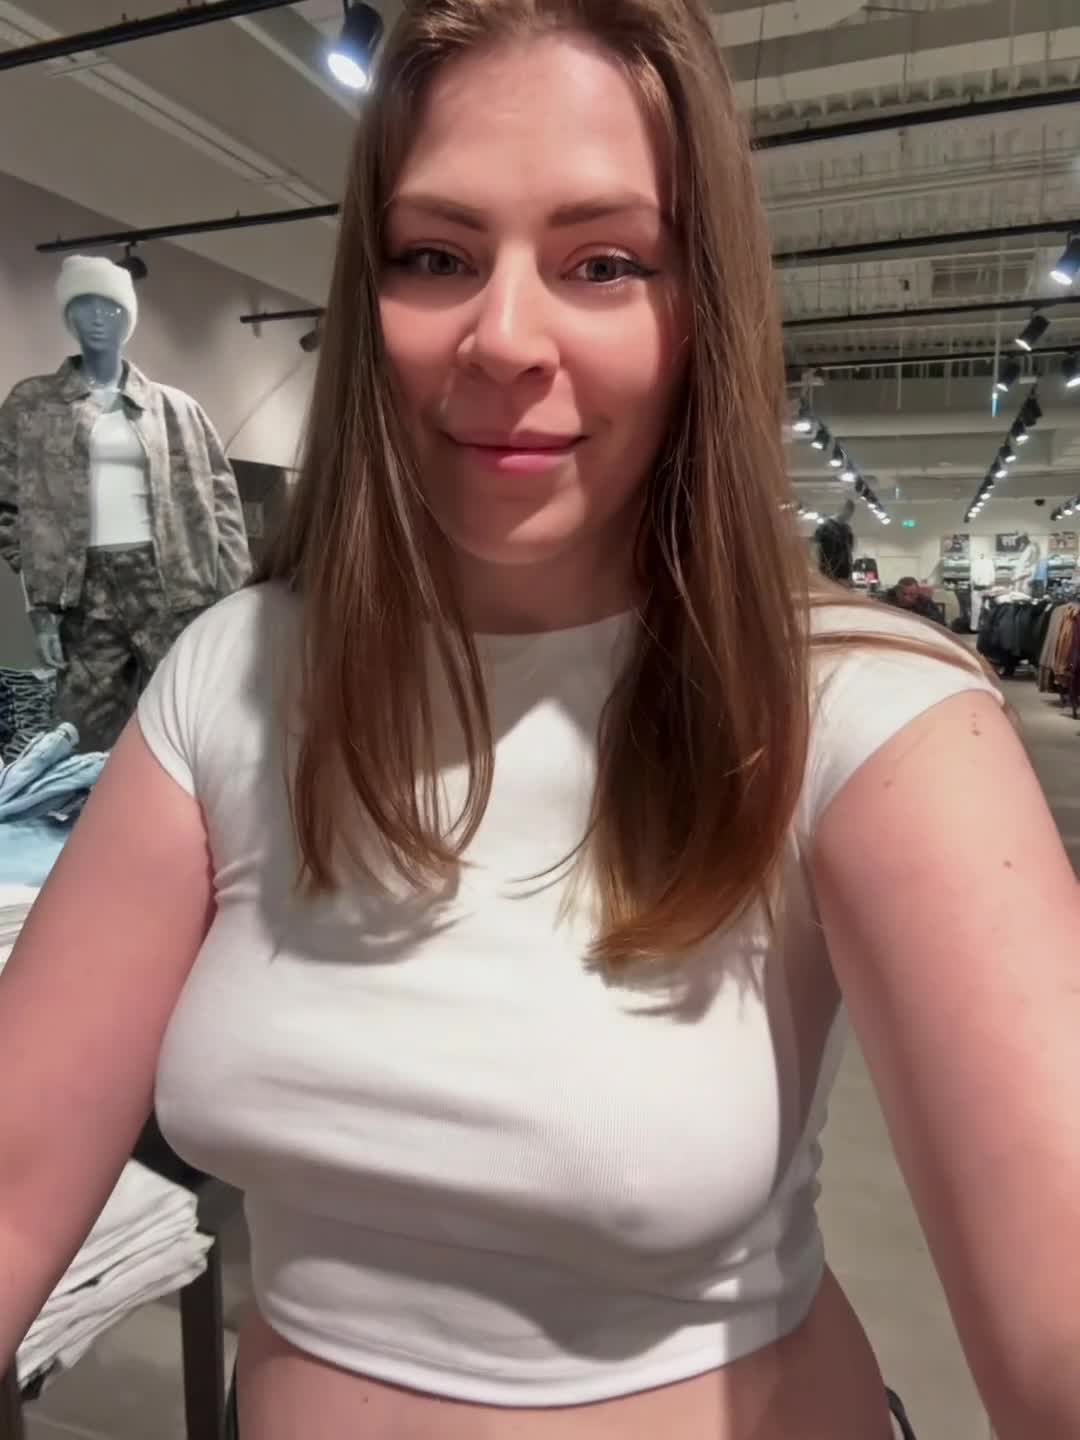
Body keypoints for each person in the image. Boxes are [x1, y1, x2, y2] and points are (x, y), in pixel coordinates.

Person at [2, 2, 1078, 1438]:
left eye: (604, 263)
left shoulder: (868, 710)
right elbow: (15, 1180)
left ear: (702, 310)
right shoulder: (236, 670)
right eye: (436, 256)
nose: (503, 337)